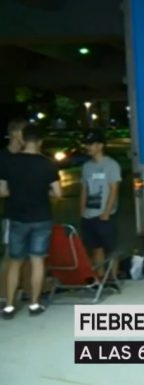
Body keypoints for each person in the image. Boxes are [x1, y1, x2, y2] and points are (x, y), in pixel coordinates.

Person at [0, 125, 61, 318]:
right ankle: (34, 304)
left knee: (15, 262)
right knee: (37, 261)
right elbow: (58, 193)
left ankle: (9, 306)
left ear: (24, 139)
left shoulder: (10, 162)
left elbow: (2, 191)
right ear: (40, 142)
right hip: (41, 218)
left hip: (17, 218)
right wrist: (44, 192)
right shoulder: (48, 164)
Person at [80, 130, 122, 281]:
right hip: (89, 214)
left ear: (100, 145)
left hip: (104, 215)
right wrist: (82, 210)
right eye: (87, 144)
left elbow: (114, 189)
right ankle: (100, 277)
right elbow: (84, 189)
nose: (88, 147)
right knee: (96, 248)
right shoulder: (86, 167)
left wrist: (107, 212)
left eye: (91, 144)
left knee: (110, 248)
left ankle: (113, 277)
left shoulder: (111, 165)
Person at [0, 118, 27, 306]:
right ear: (15, 133)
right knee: (11, 255)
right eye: (25, 132)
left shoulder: (27, 156)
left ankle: (24, 290)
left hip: (31, 214)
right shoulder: (3, 157)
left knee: (30, 255)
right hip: (12, 214)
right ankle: (4, 294)